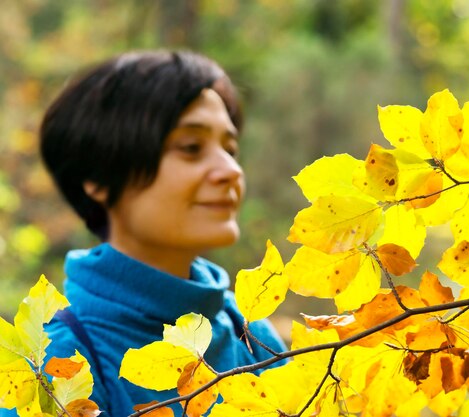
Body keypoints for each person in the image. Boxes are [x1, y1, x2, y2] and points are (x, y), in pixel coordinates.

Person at [0, 50, 286, 416]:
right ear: (99, 178)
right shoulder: (60, 363)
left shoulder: (251, 336)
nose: (230, 170)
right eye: (191, 148)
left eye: (230, 148)